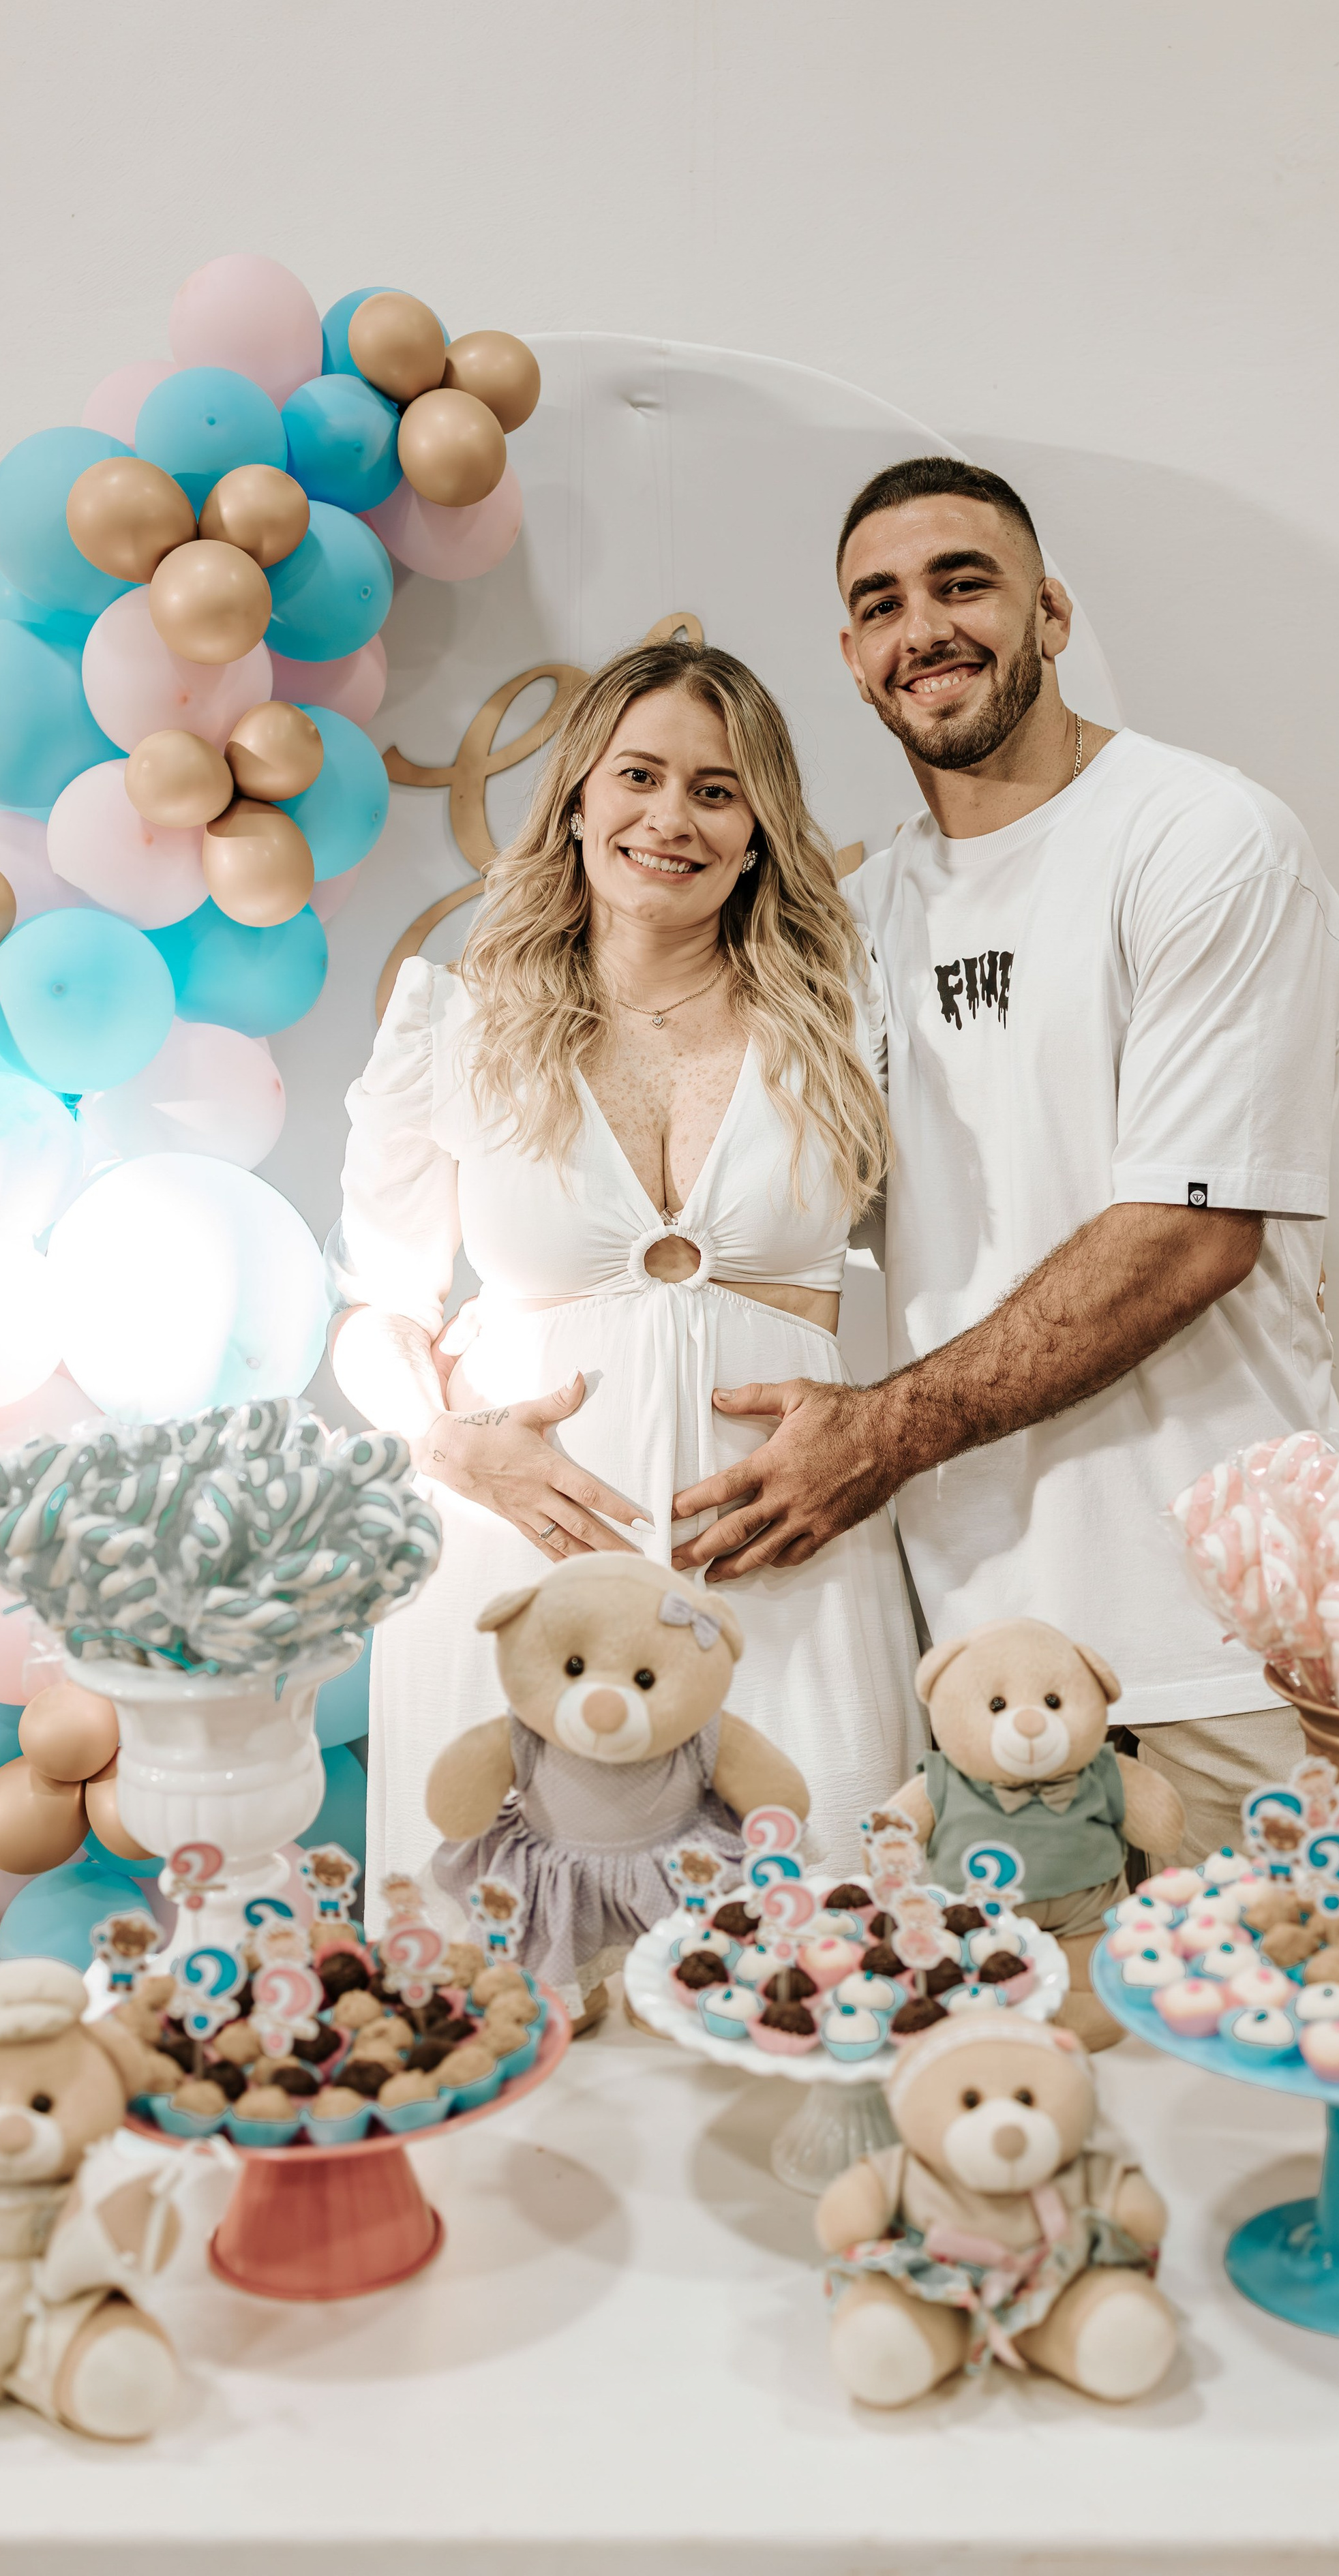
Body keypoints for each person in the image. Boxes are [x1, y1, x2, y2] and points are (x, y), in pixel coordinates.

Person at [672, 460, 1339, 1862]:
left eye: (961, 583)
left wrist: (875, 1433)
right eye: (880, 603)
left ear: (1047, 612)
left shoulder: (1199, 840)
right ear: (853, 660)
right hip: (974, 1657)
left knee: (1262, 2065)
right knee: (1019, 2072)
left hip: (1209, 1636)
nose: (922, 625)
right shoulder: (857, 917)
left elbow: (1187, 1236)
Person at [329, 637, 923, 1950]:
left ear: (761, 826)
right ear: (580, 800)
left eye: (717, 790)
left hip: (788, 1559)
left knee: (815, 1949)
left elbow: (954, 1265)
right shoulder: (456, 1024)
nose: (672, 818)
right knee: (505, 1982)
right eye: (639, 776)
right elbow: (378, 1311)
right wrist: (448, 1442)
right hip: (521, 1569)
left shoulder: (848, 1019)